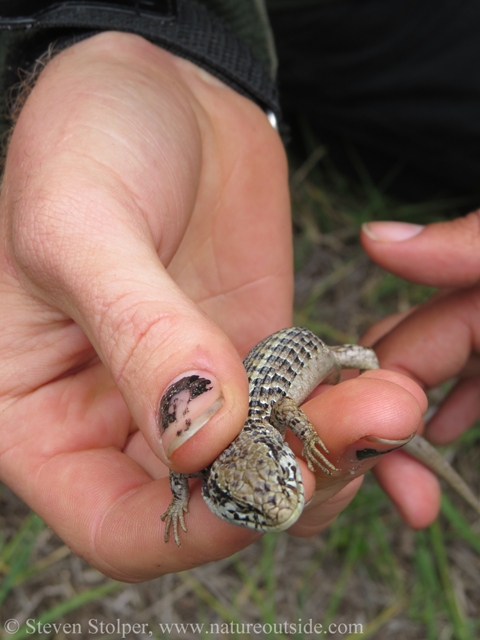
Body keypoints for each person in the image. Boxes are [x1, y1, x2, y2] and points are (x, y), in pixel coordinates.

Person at [0, 0, 477, 581]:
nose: (281, 497)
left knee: (362, 361)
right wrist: (178, 501)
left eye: (273, 485)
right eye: (270, 490)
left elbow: (276, 411)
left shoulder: (249, 430)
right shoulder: (208, 462)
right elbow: (184, 476)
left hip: (305, 353)